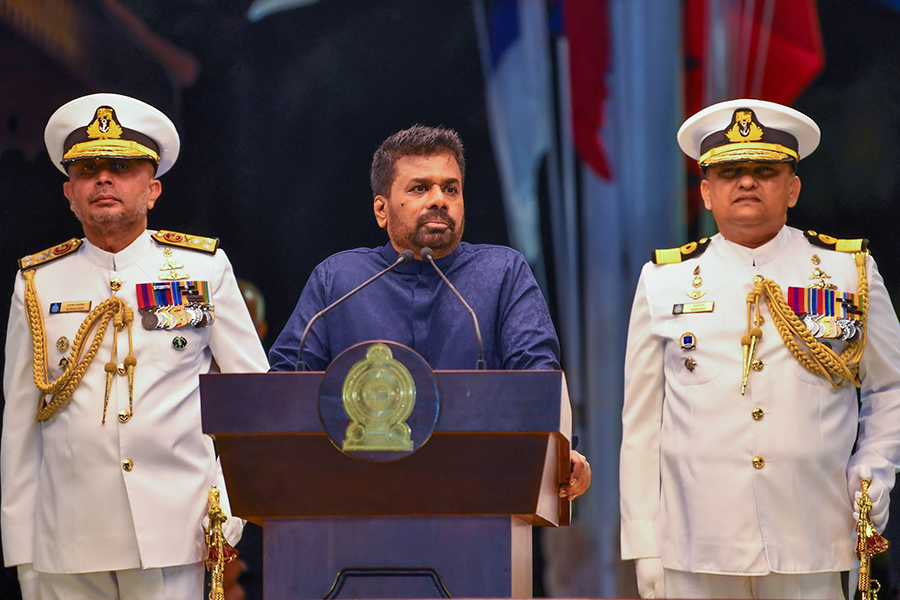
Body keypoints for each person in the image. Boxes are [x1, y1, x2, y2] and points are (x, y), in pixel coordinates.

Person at [620, 98, 900, 599]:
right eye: (729, 172)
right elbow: (641, 427)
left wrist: (876, 465)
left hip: (811, 536)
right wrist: (645, 544)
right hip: (696, 546)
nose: (746, 182)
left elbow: (891, 387)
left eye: (764, 170)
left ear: (792, 187)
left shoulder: (845, 272)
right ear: (706, 192)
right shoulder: (664, 281)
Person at [1, 93, 269, 599]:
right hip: (66, 542)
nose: (103, 179)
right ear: (69, 193)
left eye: (121, 167)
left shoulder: (203, 269)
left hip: (179, 533)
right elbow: (20, 425)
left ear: (153, 189)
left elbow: (250, 401)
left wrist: (229, 515)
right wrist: (23, 555)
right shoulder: (36, 282)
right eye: (88, 170)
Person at [268, 124, 590, 499]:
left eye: (450, 188)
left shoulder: (502, 273)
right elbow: (285, 386)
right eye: (420, 188)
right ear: (381, 209)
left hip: (479, 496)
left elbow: (538, 379)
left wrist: (564, 450)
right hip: (352, 496)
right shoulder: (338, 280)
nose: (439, 199)